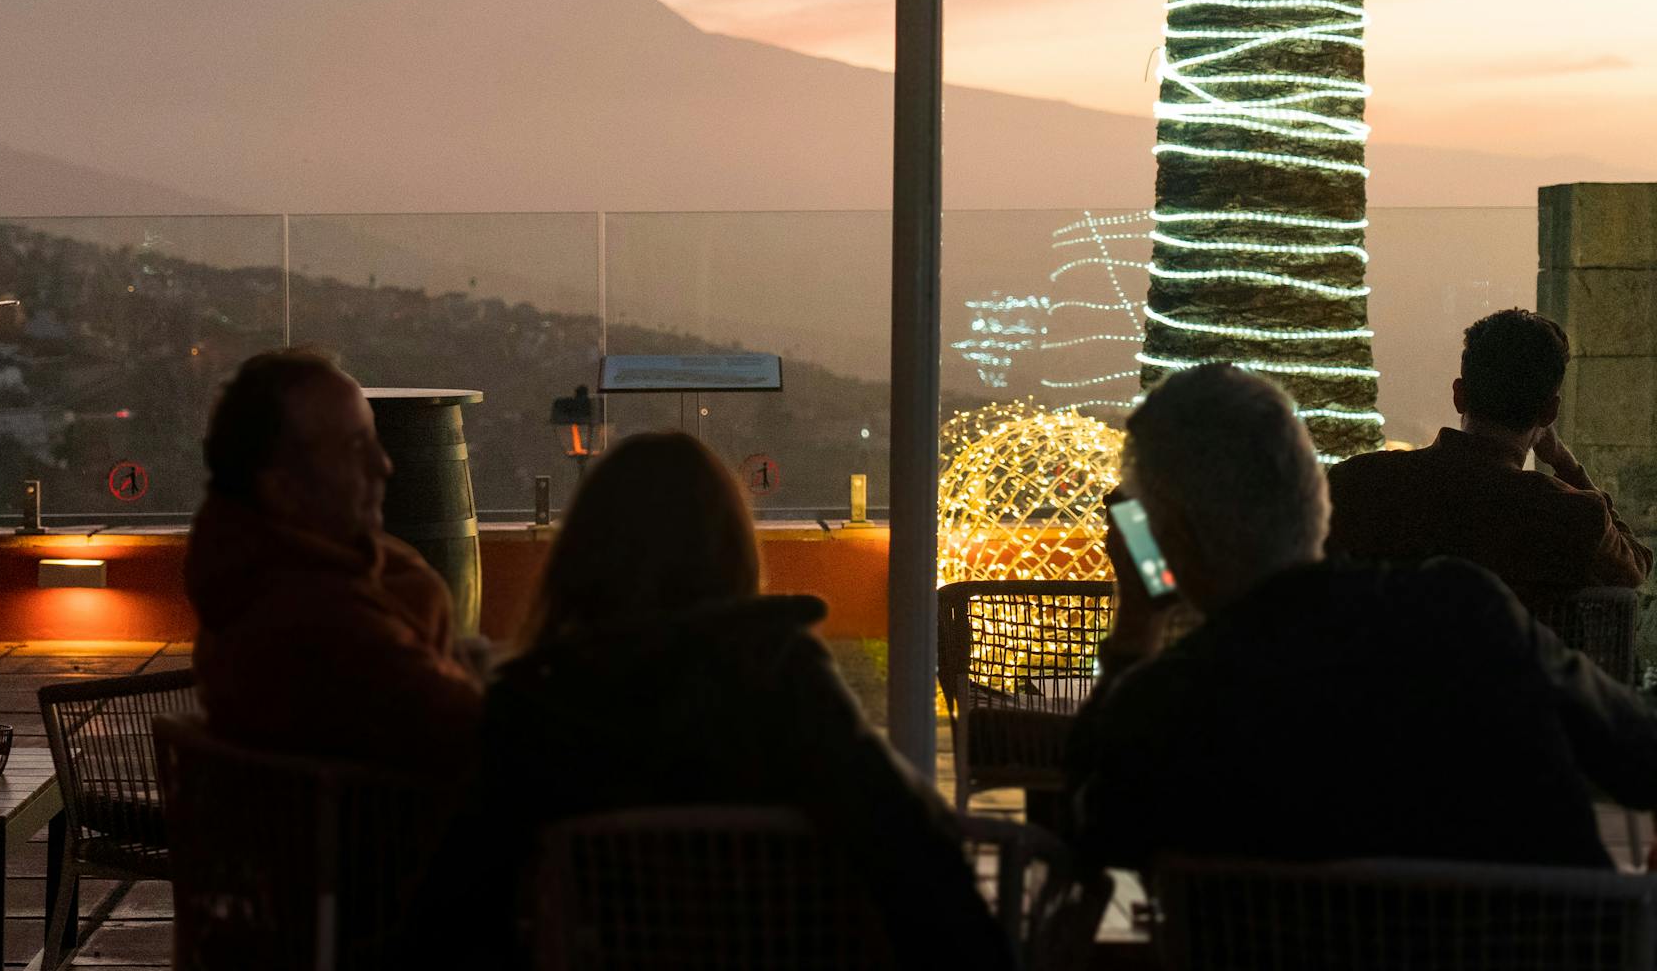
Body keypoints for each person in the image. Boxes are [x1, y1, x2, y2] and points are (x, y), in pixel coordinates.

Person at [428, 432, 1014, 970]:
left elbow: (461, 903)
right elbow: (905, 837)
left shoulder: (535, 703)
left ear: (581, 557)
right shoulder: (781, 678)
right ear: (731, 549)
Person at [1065, 363, 1657, 873]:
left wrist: (1140, 616)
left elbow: (1089, 831)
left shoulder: (1178, 697)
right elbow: (1638, 758)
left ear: (1168, 540)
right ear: (1311, 495)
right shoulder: (1464, 612)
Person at [185, 348, 482, 778]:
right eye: (354, 449)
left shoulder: (243, 582)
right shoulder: (322, 626)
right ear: (281, 488)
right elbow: (481, 734)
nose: (383, 466)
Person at [1326, 309, 1651, 615]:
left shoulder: (1357, 483)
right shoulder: (1572, 518)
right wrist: (1567, 465)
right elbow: (1635, 565)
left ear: (1459, 395)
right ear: (1550, 411)